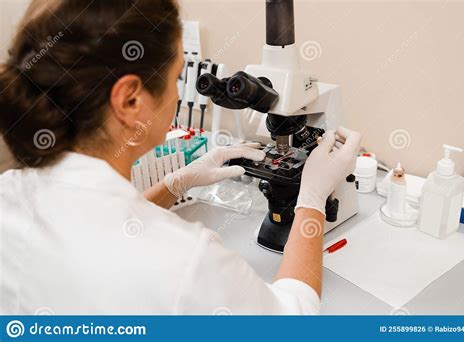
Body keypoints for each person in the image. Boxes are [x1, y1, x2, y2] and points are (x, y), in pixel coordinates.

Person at [0, 0, 361, 314]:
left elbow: (96, 227)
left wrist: (175, 184)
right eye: (175, 79)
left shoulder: (8, 194)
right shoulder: (183, 264)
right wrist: (312, 201)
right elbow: (290, 319)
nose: (177, 95)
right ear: (130, 100)